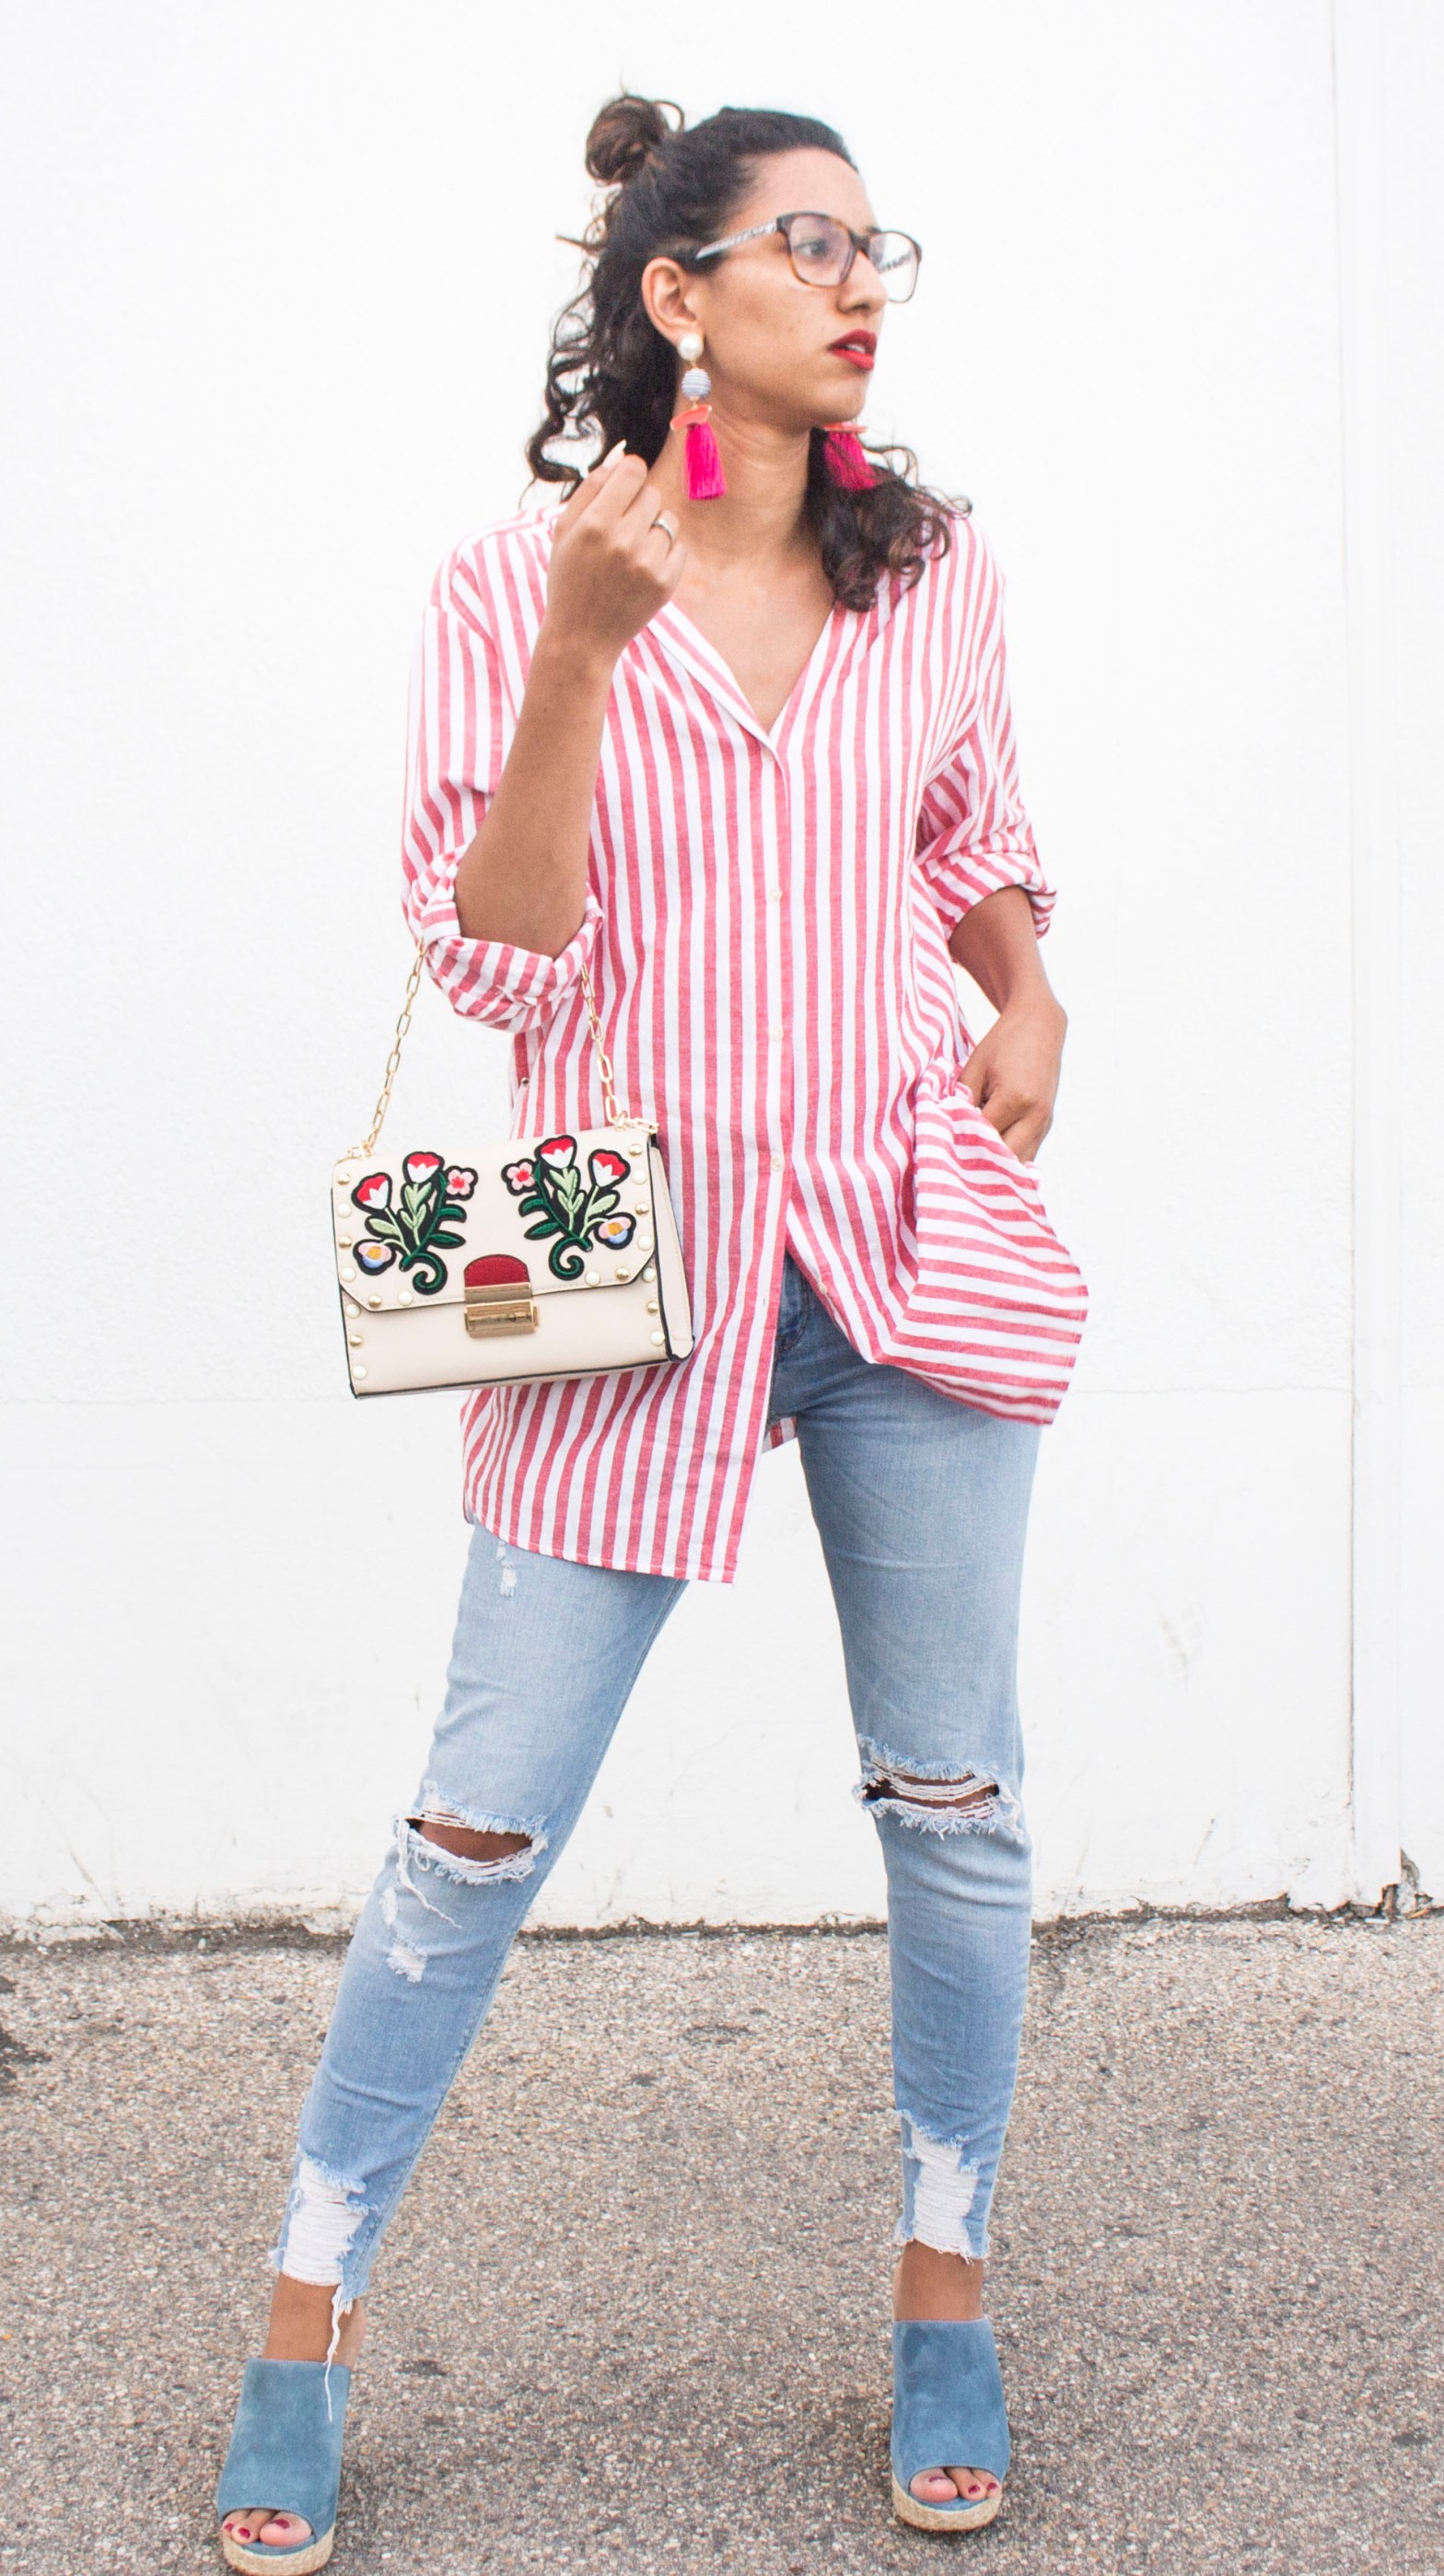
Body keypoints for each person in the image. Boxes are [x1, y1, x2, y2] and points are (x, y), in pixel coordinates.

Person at [215, 93, 1087, 2570]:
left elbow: (971, 835)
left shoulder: (936, 571)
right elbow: (495, 960)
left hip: (905, 1240)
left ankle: (945, 2293)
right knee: (476, 1829)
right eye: (808, 243)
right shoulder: (520, 584)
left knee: (958, 1809)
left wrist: (1028, 992)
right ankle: (305, 2312)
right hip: (622, 1284)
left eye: (878, 243)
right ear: (679, 295)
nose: (861, 280)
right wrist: (586, 660)